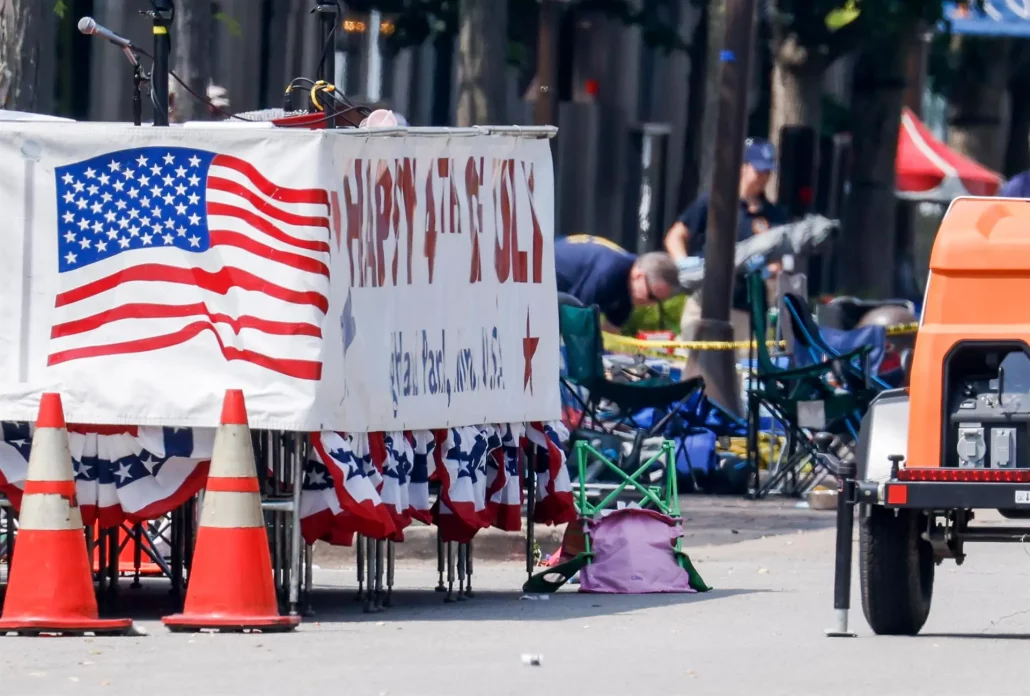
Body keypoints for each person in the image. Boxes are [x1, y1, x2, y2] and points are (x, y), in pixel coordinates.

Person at [664, 137, 788, 346]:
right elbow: (675, 236)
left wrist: (769, 269)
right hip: (704, 303)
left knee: (739, 372)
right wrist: (683, 264)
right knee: (692, 364)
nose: (763, 178)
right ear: (743, 168)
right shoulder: (714, 202)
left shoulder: (774, 215)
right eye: (758, 171)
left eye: (767, 172)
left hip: (745, 309)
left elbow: (779, 261)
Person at [555, 234, 680, 333]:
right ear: (639, 276)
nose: (651, 305)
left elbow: (611, 331)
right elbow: (575, 321)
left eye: (657, 302)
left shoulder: (628, 287)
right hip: (544, 273)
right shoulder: (607, 275)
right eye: (651, 296)